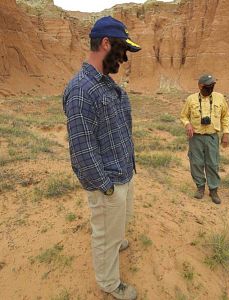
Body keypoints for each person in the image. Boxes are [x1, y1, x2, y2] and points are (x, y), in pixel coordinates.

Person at [63, 16, 141, 300]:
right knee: (104, 237)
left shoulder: (105, 83)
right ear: (106, 44)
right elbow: (82, 151)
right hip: (108, 182)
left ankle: (115, 238)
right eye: (122, 51)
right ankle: (109, 284)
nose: (124, 59)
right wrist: (106, 187)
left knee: (116, 228)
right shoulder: (82, 91)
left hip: (123, 172)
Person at [180, 74, 229, 204]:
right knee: (196, 163)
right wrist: (187, 124)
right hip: (196, 137)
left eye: (212, 85)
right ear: (200, 86)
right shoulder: (191, 99)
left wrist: (226, 133)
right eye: (208, 86)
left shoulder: (220, 98)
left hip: (212, 137)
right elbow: (183, 116)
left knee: (213, 164)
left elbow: (225, 116)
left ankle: (213, 190)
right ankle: (200, 187)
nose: (211, 88)